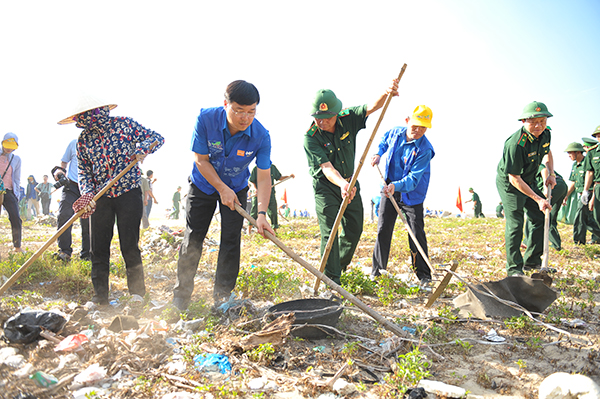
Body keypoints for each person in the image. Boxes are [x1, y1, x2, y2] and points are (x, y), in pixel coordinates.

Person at [172, 80, 274, 311]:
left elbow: (264, 177)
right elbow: (201, 160)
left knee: (230, 241)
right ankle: (181, 298)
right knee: (193, 238)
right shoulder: (206, 119)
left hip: (237, 188)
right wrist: (220, 188)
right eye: (239, 110)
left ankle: (222, 298)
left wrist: (261, 214)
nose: (245, 118)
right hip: (204, 184)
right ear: (225, 104)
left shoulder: (261, 136)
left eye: (251, 111)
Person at [58, 96, 164, 305]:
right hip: (100, 197)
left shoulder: (125, 124)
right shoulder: (83, 141)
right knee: (98, 248)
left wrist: (141, 149)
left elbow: (157, 138)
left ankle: (137, 294)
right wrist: (88, 193)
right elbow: (84, 172)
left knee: (129, 244)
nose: (88, 120)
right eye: (83, 118)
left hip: (128, 192)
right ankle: (100, 297)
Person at [303, 79, 399, 284]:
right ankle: (332, 280)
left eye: (327, 118)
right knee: (330, 232)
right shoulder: (310, 138)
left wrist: (387, 92)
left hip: (350, 183)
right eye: (318, 118)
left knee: (355, 227)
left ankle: (339, 266)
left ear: (336, 113)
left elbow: (372, 107)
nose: (322, 122)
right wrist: (342, 185)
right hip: (327, 187)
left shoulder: (348, 118)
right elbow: (327, 168)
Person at [370, 105, 435, 285]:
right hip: (388, 188)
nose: (418, 130)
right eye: (415, 126)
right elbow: (383, 142)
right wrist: (378, 154)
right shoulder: (395, 133)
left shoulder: (425, 149)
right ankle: (377, 273)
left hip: (412, 195)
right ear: (407, 122)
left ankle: (424, 276)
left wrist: (395, 186)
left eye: (423, 127)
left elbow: (413, 179)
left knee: (415, 232)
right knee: (383, 229)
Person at [496, 101, 555, 276]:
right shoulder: (515, 144)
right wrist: (538, 199)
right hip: (511, 184)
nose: (538, 126)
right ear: (524, 121)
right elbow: (513, 177)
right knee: (516, 223)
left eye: (542, 121)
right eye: (533, 122)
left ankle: (533, 262)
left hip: (527, 180)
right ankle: (514, 269)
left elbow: (547, 152)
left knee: (540, 216)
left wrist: (550, 172)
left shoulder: (546, 134)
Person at [54, 139, 91, 261]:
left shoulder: (100, 144)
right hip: (71, 185)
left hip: (90, 188)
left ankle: (87, 254)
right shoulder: (74, 143)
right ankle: (64, 251)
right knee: (64, 215)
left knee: (88, 221)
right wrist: (60, 171)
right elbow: (63, 162)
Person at [563, 142, 600, 245]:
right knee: (588, 220)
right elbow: (573, 182)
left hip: (590, 194)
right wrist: (566, 195)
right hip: (582, 195)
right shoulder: (575, 165)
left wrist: (590, 195)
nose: (569, 155)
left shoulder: (587, 162)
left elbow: (592, 176)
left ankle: (578, 242)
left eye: (570, 153)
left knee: (580, 218)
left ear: (578, 152)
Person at [523, 165, 567, 251]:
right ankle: (556, 245)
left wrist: (545, 186)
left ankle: (527, 242)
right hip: (561, 186)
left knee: (535, 212)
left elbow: (543, 169)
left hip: (553, 186)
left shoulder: (530, 164)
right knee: (550, 217)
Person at [248, 164, 293, 231]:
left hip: (270, 193)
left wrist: (289, 176)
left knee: (273, 212)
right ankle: (249, 230)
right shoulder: (256, 168)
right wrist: (255, 189)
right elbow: (252, 181)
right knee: (254, 211)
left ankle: (275, 230)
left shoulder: (272, 168)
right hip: (258, 193)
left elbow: (279, 177)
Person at [0, 133, 23, 252]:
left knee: (15, 218)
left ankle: (17, 246)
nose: (9, 148)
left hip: (8, 191)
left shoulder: (16, 159)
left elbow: (16, 179)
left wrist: (16, 195)